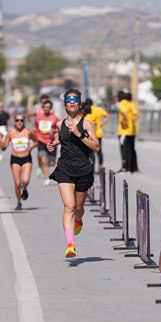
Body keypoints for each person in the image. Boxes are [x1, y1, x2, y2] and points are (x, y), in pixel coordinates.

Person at [47, 89, 100, 258]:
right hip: (65, 168)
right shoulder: (59, 124)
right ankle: (70, 246)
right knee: (69, 206)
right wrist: (54, 143)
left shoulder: (87, 124)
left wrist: (79, 134)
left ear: (79, 104)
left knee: (78, 208)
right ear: (65, 105)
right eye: (69, 100)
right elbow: (63, 138)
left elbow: (96, 147)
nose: (72, 102)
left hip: (83, 169)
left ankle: (78, 219)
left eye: (74, 100)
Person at [1, 113, 36, 210]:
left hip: (26, 158)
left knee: (25, 180)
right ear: (14, 122)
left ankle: (24, 188)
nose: (19, 122)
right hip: (15, 159)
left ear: (24, 121)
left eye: (21, 120)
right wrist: (2, 145)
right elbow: (4, 147)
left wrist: (31, 148)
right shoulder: (10, 133)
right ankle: (19, 202)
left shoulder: (28, 132)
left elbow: (36, 141)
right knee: (17, 183)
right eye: (17, 120)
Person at [33, 100, 60, 186]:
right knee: (43, 160)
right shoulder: (39, 118)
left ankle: (44, 167)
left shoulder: (55, 118)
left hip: (51, 142)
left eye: (48, 107)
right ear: (43, 108)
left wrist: (54, 130)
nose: (47, 109)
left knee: (52, 163)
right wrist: (35, 133)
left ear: (51, 108)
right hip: (41, 141)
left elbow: (60, 129)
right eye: (45, 107)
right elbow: (35, 127)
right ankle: (46, 178)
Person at [83, 98, 110, 173]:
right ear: (92, 103)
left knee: (91, 151)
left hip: (89, 134)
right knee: (99, 151)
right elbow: (108, 116)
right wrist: (101, 124)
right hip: (98, 133)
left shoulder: (86, 110)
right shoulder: (99, 109)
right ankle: (100, 167)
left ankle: (92, 168)